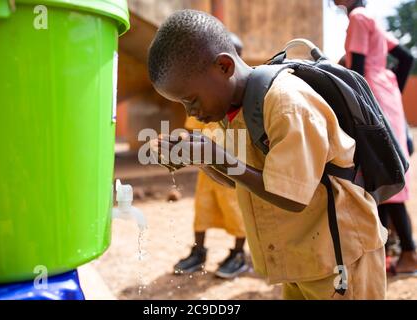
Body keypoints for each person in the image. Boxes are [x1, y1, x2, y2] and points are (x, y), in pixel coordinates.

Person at [148, 9, 387, 299]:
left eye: (192, 100)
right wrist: (198, 154)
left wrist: (216, 156)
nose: (191, 112)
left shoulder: (286, 104)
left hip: (340, 261)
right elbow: (239, 178)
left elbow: (291, 195)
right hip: (299, 261)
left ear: (224, 66)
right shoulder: (232, 112)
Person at [334, 0, 417, 277]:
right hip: (386, 95)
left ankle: (408, 253)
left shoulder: (358, 17)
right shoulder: (370, 18)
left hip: (372, 100)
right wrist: (389, 83)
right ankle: (390, 252)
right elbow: (406, 58)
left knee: (381, 176)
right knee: (384, 177)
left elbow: (356, 73)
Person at [174, 34, 248, 279]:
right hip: (206, 170)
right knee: (202, 211)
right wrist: (177, 146)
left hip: (232, 169)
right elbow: (190, 132)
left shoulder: (242, 101)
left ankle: (238, 255)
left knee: (236, 212)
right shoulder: (202, 96)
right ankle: (199, 252)